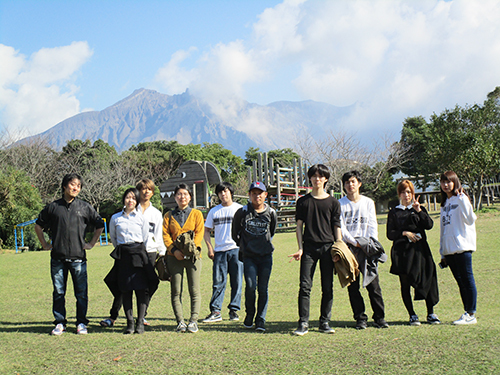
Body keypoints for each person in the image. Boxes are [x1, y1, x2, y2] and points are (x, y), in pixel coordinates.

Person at [35, 173, 104, 335]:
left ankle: (81, 323)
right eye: (73, 184)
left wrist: (92, 243)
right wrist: (44, 244)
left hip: (78, 258)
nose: (76, 188)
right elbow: (38, 225)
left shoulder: (85, 207)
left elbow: (99, 224)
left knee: (81, 293)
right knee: (59, 292)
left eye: (79, 186)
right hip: (57, 258)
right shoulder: (53, 207)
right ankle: (60, 323)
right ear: (64, 186)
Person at [100, 179, 166, 328]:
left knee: (147, 285)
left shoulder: (155, 213)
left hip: (148, 252)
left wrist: (161, 252)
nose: (146, 192)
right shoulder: (120, 215)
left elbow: (157, 234)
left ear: (153, 192)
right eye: (142, 189)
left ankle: (142, 316)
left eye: (149, 189)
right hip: (126, 254)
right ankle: (113, 315)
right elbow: (115, 238)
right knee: (123, 284)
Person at [289, 164, 341, 336]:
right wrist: (300, 248)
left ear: (326, 179)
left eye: (320, 176)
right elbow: (298, 227)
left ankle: (324, 322)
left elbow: (337, 227)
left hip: (328, 248)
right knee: (305, 286)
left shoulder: (333, 202)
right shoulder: (303, 202)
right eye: (314, 176)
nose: (317, 179)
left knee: (328, 287)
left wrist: (338, 248)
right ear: (310, 178)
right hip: (309, 249)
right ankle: (303, 323)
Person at [386, 180, 440, 326]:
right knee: (405, 283)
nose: (406, 195)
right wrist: (404, 233)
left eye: (409, 192)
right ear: (399, 194)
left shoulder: (418, 208)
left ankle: (431, 313)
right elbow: (390, 234)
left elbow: (429, 225)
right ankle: (412, 315)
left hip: (421, 251)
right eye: (403, 192)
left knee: (428, 279)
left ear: (413, 193)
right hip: (402, 253)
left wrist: (419, 211)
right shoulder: (394, 212)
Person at [339, 170, 388, 330]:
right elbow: (341, 228)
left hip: (368, 247)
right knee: (353, 286)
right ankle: (360, 318)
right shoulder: (340, 204)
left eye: (353, 181)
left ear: (359, 183)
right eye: (347, 182)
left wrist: (370, 244)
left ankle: (379, 318)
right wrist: (355, 243)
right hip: (350, 249)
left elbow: (373, 225)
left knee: (374, 285)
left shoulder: (368, 202)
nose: (350, 185)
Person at [232, 181, 277, 332]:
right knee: (251, 286)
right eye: (254, 193)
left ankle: (261, 319)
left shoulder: (271, 213)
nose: (257, 196)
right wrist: (244, 246)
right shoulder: (243, 211)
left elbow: (272, 230)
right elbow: (234, 232)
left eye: (260, 193)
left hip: (265, 257)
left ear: (265, 195)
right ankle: (250, 313)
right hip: (249, 256)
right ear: (249, 195)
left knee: (263, 288)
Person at [163, 183, 205, 333]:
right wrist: (174, 251)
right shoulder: (169, 215)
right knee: (176, 290)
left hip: (193, 257)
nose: (182, 197)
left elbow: (199, 233)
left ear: (190, 197)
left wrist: (192, 250)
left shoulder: (196, 214)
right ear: (175, 197)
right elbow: (166, 235)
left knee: (194, 289)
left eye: (185, 194)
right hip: (174, 257)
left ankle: (193, 321)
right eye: (179, 194)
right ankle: (180, 321)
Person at [439, 171, 477, 325]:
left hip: (462, 246)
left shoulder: (461, 198)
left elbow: (470, 219)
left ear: (455, 182)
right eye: (443, 182)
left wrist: (462, 200)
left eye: (448, 181)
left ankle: (471, 313)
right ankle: (466, 312)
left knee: (468, 280)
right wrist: (442, 251)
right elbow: (443, 229)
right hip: (449, 250)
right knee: (460, 282)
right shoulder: (444, 204)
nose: (446, 185)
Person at [202, 182, 243, 323]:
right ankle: (215, 311)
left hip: (236, 250)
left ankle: (234, 310)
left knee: (237, 281)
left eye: (225, 191)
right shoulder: (214, 211)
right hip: (219, 251)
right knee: (218, 282)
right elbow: (206, 231)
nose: (223, 194)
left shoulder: (240, 209)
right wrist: (210, 248)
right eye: (220, 192)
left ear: (231, 192)